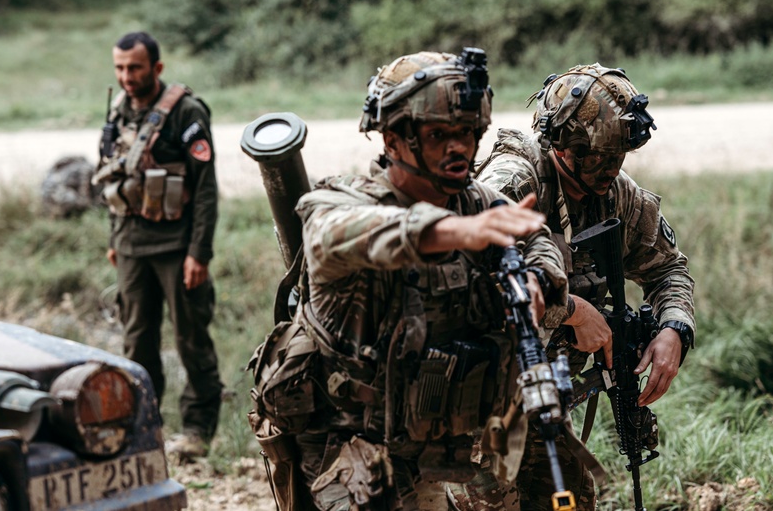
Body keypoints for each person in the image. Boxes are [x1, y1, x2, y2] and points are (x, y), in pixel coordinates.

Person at [249, 49, 613, 511]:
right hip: (345, 446)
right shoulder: (340, 202)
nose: (458, 148)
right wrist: (449, 231)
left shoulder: (476, 202)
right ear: (393, 138)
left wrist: (539, 279)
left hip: (431, 443)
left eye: (467, 134)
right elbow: (333, 235)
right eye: (439, 135)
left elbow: (534, 236)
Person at [460, 63, 697, 510]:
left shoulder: (616, 193)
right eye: (599, 157)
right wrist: (571, 310)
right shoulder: (513, 179)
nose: (612, 169)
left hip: (547, 401)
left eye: (619, 156)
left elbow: (668, 268)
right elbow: (475, 275)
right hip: (481, 402)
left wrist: (674, 330)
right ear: (564, 147)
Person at [92, 31, 223, 461]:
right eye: (120, 68)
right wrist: (116, 241)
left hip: (176, 248)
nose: (127, 76)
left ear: (157, 68)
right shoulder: (117, 112)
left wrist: (198, 252)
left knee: (191, 339)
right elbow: (113, 178)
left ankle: (199, 429)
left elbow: (205, 189)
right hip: (131, 246)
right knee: (137, 343)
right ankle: (144, 427)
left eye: (135, 68)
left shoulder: (185, 112)